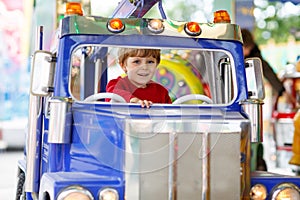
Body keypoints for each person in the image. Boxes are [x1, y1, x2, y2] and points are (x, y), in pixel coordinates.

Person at [106, 48, 172, 108]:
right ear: (123, 65)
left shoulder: (161, 91)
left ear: (156, 65)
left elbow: (170, 114)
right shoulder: (117, 84)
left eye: (150, 62)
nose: (144, 67)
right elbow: (115, 94)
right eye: (137, 62)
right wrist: (134, 100)